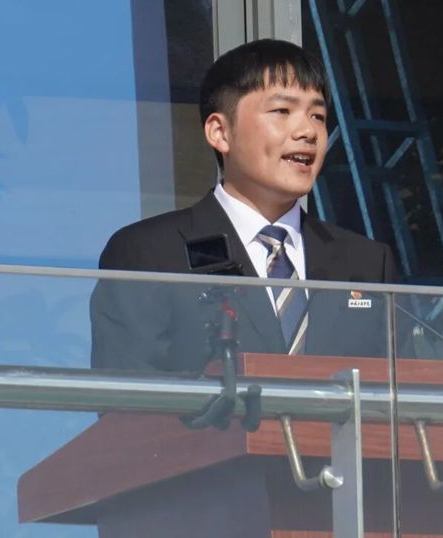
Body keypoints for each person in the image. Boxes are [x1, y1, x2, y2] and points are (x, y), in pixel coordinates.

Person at [90, 39, 398, 374]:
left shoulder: (366, 264)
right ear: (220, 132)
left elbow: (405, 393)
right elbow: (128, 396)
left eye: (318, 115)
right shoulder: (149, 254)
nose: (308, 131)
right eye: (282, 111)